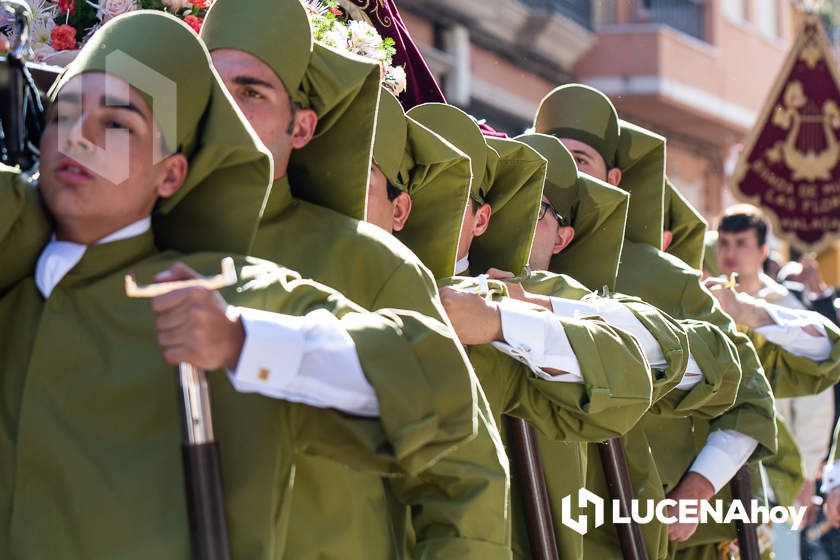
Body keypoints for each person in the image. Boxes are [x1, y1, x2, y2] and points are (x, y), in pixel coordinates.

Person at [0, 11, 479, 558]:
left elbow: (440, 396)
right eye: (63, 115)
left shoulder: (234, 294)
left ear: (172, 172)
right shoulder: (15, 277)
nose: (79, 136)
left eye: (117, 125)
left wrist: (243, 343)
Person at [199, 1, 497, 557]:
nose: (227, 111)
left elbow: (464, 476)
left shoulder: (371, 265)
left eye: (252, 92)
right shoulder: (136, 243)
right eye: (212, 88)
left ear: (303, 125)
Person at [406, 101, 691, 559]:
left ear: (484, 220)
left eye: (451, 193)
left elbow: (659, 352)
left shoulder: (521, 290)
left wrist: (509, 320)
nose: (425, 209)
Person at [532, 83, 778, 560]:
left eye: (580, 161)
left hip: (663, 533)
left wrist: (698, 489)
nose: (563, 174)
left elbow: (748, 395)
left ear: (616, 176)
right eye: (550, 160)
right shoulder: (501, 264)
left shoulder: (667, 277)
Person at [715, 204, 840, 557]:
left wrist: (804, 472)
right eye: (724, 242)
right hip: (723, 461)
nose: (730, 253)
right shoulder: (710, 303)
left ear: (763, 250)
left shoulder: (784, 308)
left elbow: (815, 399)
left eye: (741, 243)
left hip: (779, 466)